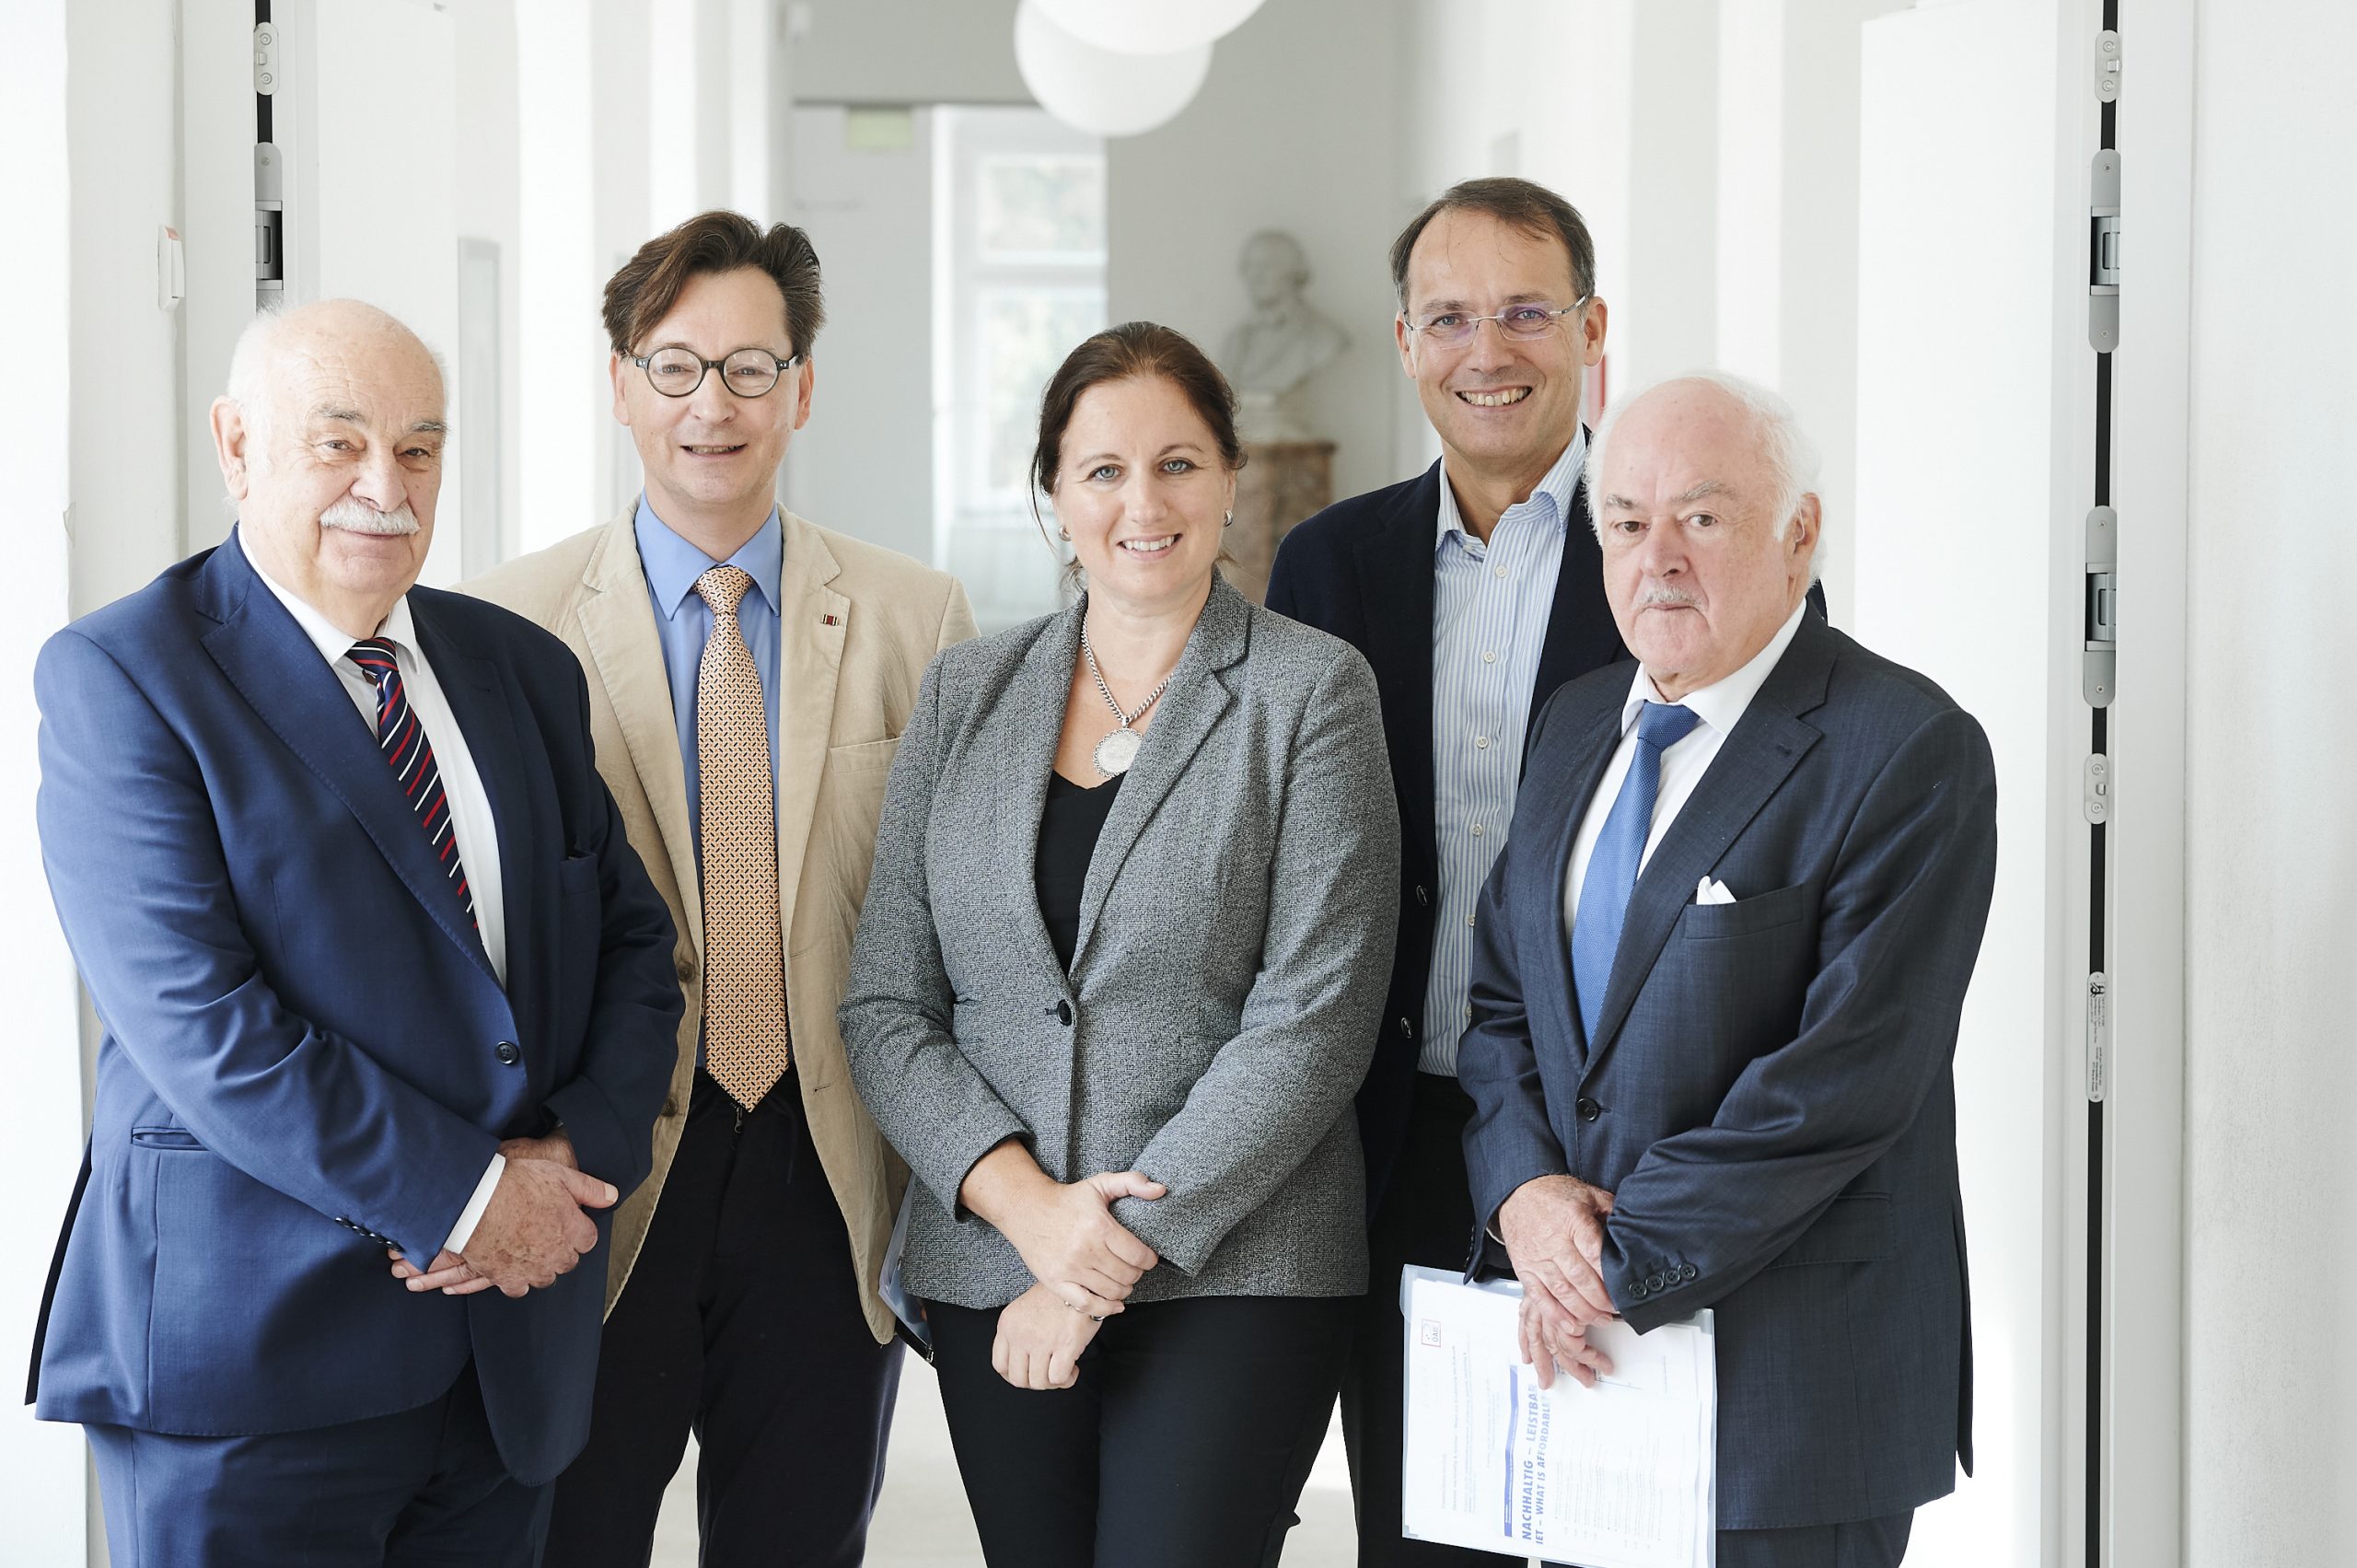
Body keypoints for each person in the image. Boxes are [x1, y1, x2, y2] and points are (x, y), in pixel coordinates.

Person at [26, 299, 683, 1566]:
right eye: (338, 444)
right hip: (252, 1374)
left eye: (420, 449)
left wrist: (567, 1166)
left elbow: (631, 951)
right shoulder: (125, 679)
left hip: (504, 1356)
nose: (385, 487)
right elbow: (207, 1032)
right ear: (236, 445)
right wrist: (470, 1196)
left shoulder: (519, 668)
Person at [839, 321, 1399, 1567]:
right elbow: (886, 1004)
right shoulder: (965, 694)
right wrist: (1029, 1213)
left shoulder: (1313, 691)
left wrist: (1092, 1264)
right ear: (1053, 493)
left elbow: (1314, 1024)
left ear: (1230, 479)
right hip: (993, 1253)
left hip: (1241, 1263)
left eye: (1178, 464)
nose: (1142, 502)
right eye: (1102, 470)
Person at [463, 209, 976, 1566]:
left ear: (802, 388)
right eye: (677, 367)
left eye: (752, 368)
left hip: (828, 1165)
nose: (714, 406)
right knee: (574, 1539)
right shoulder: (506, 626)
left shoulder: (914, 619)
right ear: (624, 386)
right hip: (600, 1167)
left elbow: (960, 919)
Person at [1457, 373, 1994, 1568]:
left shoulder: (1906, 750)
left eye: (1702, 517)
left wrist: (1599, 1264)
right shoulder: (1575, 723)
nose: (1659, 559)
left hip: (1793, 1393)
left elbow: (1838, 1082)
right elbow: (1502, 1006)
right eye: (1628, 521)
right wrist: (1525, 1195)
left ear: (1798, 532)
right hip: (1583, 1372)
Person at [1261, 175, 1626, 1566]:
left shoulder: (1672, 550)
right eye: (1453, 317)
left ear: (1595, 331)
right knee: (1427, 1534)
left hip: (1613, 1158)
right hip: (1391, 1143)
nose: (1492, 351)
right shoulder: (1329, 563)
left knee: (1617, 1524)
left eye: (1530, 313)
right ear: (1405, 340)